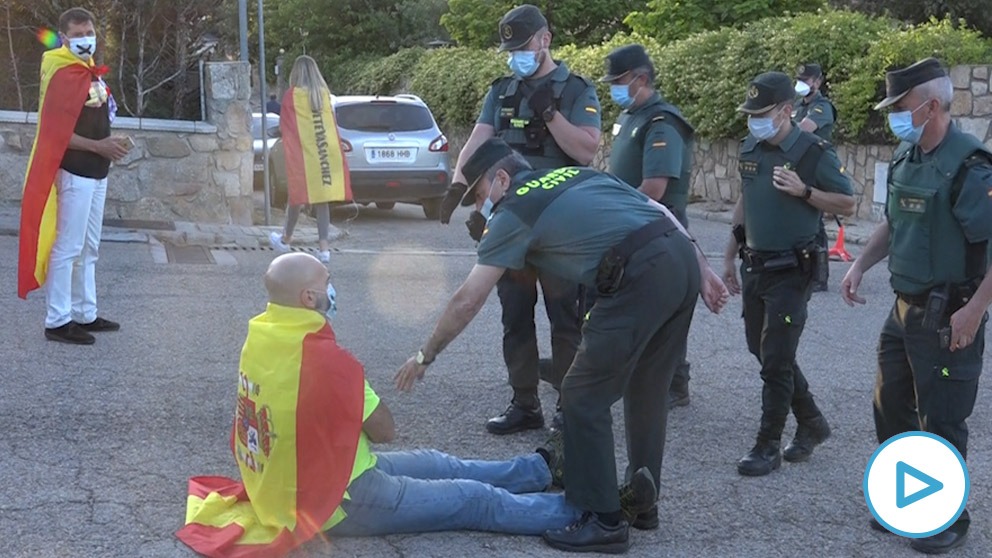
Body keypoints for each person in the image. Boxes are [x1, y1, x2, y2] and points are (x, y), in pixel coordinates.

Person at [177, 252, 657, 557]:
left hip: (308, 476)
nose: (332, 286)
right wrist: (357, 399)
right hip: (338, 498)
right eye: (327, 280)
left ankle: (541, 467)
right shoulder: (323, 359)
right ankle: (598, 510)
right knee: (474, 500)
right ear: (309, 297)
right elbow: (385, 429)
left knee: (439, 463)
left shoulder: (260, 337)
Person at [396, 138, 729, 552]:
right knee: (647, 390)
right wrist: (703, 269)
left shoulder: (513, 210)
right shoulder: (575, 174)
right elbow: (660, 211)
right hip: (678, 259)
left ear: (502, 178)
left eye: (480, 195)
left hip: (636, 274)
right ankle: (644, 505)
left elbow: (468, 298)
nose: (481, 205)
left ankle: (604, 520)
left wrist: (427, 353)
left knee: (582, 394)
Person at [840, 57, 992, 554]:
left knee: (943, 416)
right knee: (891, 405)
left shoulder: (970, 166)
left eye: (900, 107)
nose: (893, 116)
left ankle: (950, 518)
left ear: (930, 106)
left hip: (950, 312)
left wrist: (973, 312)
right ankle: (908, 503)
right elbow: (894, 224)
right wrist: (860, 264)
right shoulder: (909, 158)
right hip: (904, 309)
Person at [438, 4, 602, 436]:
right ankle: (525, 403)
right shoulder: (503, 89)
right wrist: (459, 187)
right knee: (515, 314)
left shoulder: (575, 89)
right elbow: (478, 141)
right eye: (510, 49)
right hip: (512, 222)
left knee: (566, 317)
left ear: (545, 39)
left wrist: (551, 114)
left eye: (523, 46)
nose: (516, 56)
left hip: (560, 223)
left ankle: (571, 407)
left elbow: (586, 151)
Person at [723, 71, 854, 477]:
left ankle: (767, 445)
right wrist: (727, 258)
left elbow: (848, 203)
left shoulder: (814, 152)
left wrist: (805, 192)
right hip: (755, 265)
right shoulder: (751, 146)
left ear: (785, 111)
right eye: (750, 113)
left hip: (792, 269)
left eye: (761, 113)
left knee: (776, 360)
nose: (753, 121)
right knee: (760, 349)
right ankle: (812, 422)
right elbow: (745, 202)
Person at [17, 7, 127, 344]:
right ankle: (58, 320)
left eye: (89, 33)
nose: (85, 39)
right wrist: (100, 147)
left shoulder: (89, 72)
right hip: (76, 171)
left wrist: (112, 145)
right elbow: (54, 134)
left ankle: (85, 313)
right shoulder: (64, 74)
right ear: (64, 38)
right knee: (68, 246)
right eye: (77, 35)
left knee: (89, 247)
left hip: (96, 171)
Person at [602, 43, 696, 409]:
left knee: (663, 308)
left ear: (641, 78)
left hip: (658, 229)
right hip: (633, 226)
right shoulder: (631, 117)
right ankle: (647, 377)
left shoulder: (662, 122)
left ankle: (674, 384)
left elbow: (655, 188)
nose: (615, 87)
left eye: (619, 81)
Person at [269, 55, 352, 264]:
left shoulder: (292, 96)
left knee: (296, 197)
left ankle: (286, 239)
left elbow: (286, 127)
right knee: (321, 201)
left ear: (296, 73)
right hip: (324, 155)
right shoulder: (323, 95)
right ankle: (324, 249)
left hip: (303, 155)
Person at [793, 63, 838, 293]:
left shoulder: (822, 107)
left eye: (807, 80)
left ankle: (820, 276)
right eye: (800, 79)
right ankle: (802, 269)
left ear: (818, 82)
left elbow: (805, 128)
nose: (802, 83)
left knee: (815, 222)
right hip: (800, 166)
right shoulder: (797, 105)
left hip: (818, 167)